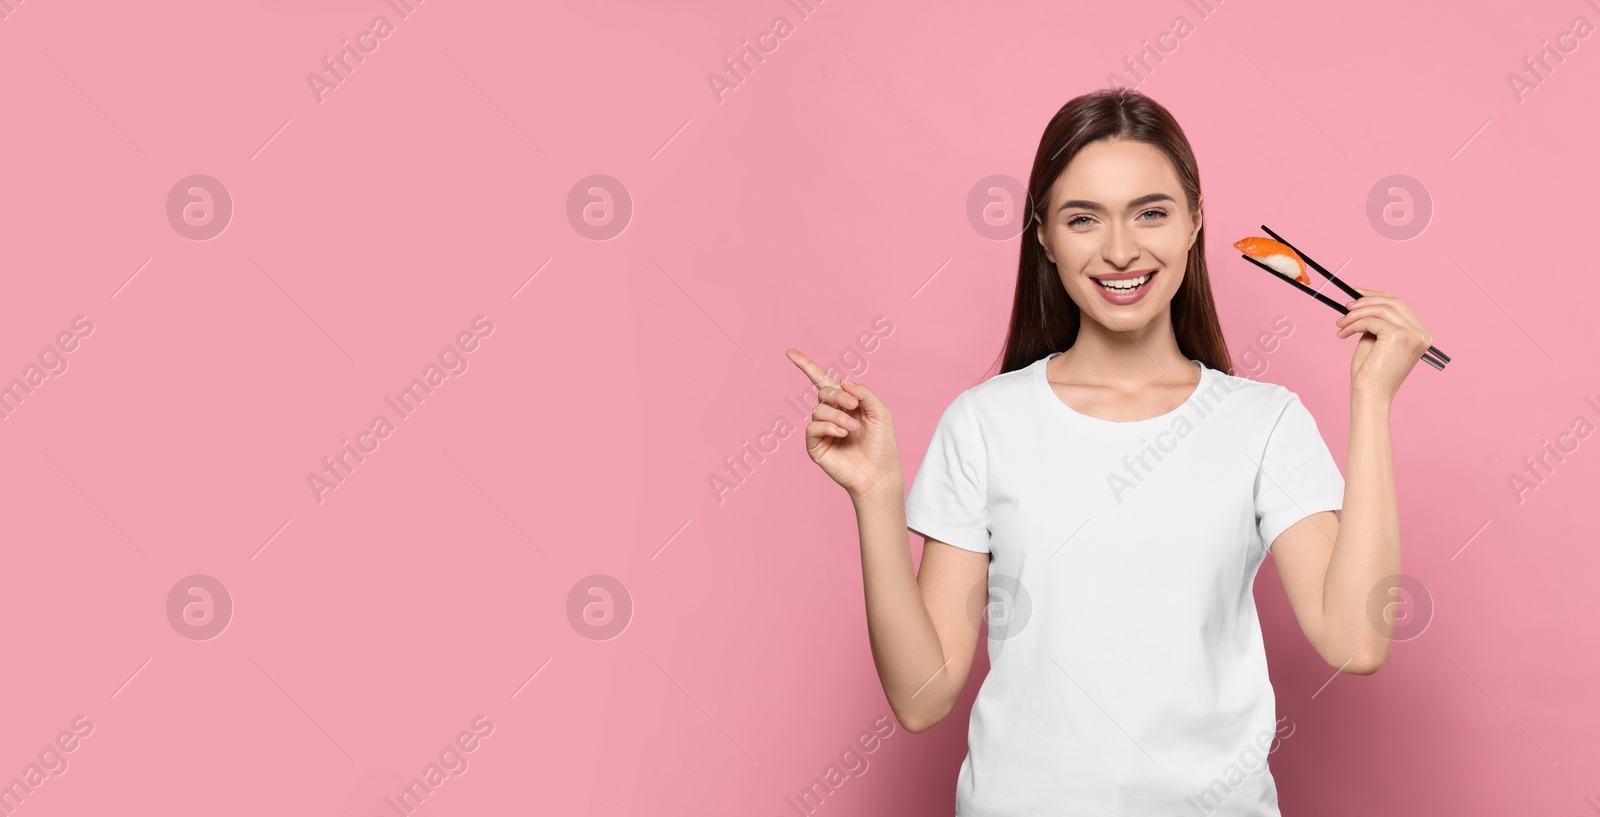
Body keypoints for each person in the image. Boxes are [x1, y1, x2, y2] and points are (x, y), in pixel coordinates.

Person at [785, 87, 1432, 816]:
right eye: (1083, 218)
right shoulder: (985, 422)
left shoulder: (1264, 422)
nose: (1120, 250)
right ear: (1043, 236)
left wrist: (1372, 402)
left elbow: (1357, 639)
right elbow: (921, 695)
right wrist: (876, 495)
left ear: (1194, 222)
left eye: (1151, 212)